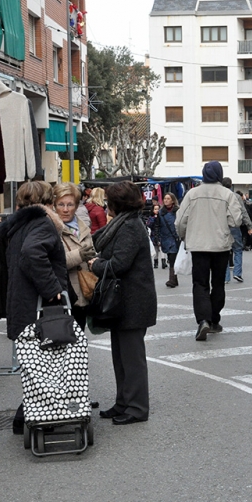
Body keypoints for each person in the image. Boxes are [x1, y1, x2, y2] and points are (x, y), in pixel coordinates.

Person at [0, 181, 68, 435]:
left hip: (22, 304)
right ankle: (35, 416)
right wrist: (52, 289)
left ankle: (26, 416)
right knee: (46, 364)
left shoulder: (18, 225)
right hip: (38, 307)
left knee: (35, 366)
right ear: (47, 202)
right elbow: (32, 253)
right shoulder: (41, 224)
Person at [88, 182, 157, 425]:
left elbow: (119, 264)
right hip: (124, 301)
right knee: (121, 357)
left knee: (132, 359)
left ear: (118, 204)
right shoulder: (122, 223)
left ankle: (137, 408)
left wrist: (94, 265)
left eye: (109, 201)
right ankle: (123, 403)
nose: (106, 205)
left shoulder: (130, 226)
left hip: (133, 301)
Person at [175, 161, 242, 341]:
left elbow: (180, 221)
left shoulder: (192, 194)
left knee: (200, 284)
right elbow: (236, 221)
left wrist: (183, 236)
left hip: (198, 245)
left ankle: (203, 319)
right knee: (218, 283)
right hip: (220, 245)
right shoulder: (228, 195)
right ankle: (214, 320)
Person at [53, 182, 96, 330]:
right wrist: (79, 255)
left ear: (77, 206)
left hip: (83, 295)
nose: (65, 210)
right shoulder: (50, 229)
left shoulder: (84, 228)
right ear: (54, 205)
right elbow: (53, 263)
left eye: (70, 205)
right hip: (62, 297)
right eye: (61, 204)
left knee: (78, 347)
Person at [222, 178, 252, 283]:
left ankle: (225, 277)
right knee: (238, 249)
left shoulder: (219, 196)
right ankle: (237, 273)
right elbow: (243, 212)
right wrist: (249, 226)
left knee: (224, 252)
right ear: (231, 185)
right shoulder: (236, 196)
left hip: (222, 226)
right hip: (234, 226)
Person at [159, 192, 181, 288]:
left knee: (173, 257)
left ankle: (171, 279)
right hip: (165, 237)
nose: (166, 200)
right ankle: (174, 278)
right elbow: (157, 225)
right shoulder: (161, 212)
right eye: (165, 199)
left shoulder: (178, 211)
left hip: (175, 237)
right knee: (170, 257)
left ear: (172, 200)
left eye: (168, 199)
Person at [146, 203, 163, 269]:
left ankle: (163, 261)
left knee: (161, 248)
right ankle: (156, 262)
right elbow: (149, 225)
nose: (157, 210)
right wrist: (153, 219)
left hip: (160, 233)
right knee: (156, 249)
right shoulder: (151, 217)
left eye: (158, 209)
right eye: (155, 209)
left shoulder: (161, 217)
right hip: (154, 234)